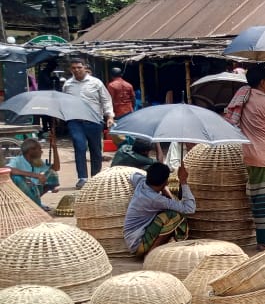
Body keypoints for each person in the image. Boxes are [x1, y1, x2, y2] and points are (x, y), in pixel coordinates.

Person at [225, 66, 265, 249]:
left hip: (248, 154)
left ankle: (264, 240)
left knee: (258, 199)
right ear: (262, 82)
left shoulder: (244, 98)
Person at [123, 163, 196, 256]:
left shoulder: (141, 182)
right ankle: (152, 253)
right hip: (138, 244)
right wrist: (183, 181)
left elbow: (133, 175)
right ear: (166, 182)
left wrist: (164, 189)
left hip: (132, 239)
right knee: (174, 216)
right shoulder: (155, 199)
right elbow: (189, 209)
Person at [62, 57, 114, 189]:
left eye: (79, 67)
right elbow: (63, 101)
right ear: (70, 69)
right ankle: (82, 178)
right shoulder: (68, 85)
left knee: (96, 150)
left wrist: (110, 116)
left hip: (94, 120)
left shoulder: (96, 83)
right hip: (75, 121)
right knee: (79, 147)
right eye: (73, 68)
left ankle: (96, 178)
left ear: (85, 67)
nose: (77, 70)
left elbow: (106, 100)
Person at [7, 138, 59, 209]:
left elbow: (56, 168)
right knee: (17, 178)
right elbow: (8, 169)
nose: (41, 152)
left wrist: (55, 148)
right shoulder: (17, 160)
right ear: (31, 151)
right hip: (23, 190)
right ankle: (33, 204)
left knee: (52, 174)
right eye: (39, 149)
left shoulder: (37, 162)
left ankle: (35, 202)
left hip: (35, 189)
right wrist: (35, 175)